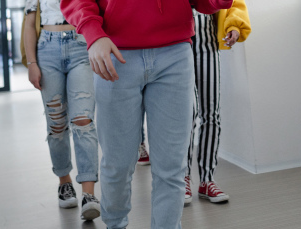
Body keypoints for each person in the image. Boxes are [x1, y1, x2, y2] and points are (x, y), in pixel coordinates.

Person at [61, 0, 233, 228]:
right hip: (114, 51)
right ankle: (115, 225)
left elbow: (206, 3)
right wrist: (92, 31)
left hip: (175, 53)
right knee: (117, 163)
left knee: (172, 167)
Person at [23, 0, 101, 221]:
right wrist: (31, 63)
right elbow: (30, 23)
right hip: (47, 49)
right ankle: (64, 182)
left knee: (83, 120)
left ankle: (89, 194)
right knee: (56, 123)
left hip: (81, 44)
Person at [185, 0, 251, 205]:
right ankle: (182, 178)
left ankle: (207, 180)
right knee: (186, 114)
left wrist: (233, 26)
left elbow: (234, 4)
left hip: (208, 43)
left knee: (211, 114)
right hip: (177, 43)